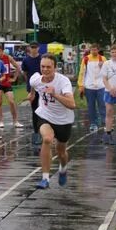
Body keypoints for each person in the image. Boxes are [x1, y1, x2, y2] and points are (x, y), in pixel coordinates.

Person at [30, 54, 76, 189]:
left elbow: (72, 104)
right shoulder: (36, 79)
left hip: (63, 120)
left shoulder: (63, 81)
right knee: (47, 139)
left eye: (48, 67)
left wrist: (55, 94)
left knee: (61, 151)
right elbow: (33, 84)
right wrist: (32, 94)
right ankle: (45, 178)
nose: (45, 70)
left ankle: (63, 168)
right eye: (42, 67)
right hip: (45, 115)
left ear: (55, 68)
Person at [77, 43, 106, 132]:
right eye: (92, 49)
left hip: (101, 86)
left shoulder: (103, 59)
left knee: (103, 105)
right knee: (91, 106)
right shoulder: (86, 59)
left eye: (95, 49)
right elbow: (82, 72)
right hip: (89, 87)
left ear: (98, 50)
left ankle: (105, 122)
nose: (94, 51)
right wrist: (81, 85)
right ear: (90, 50)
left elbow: (107, 72)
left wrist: (103, 66)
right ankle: (93, 123)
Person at [0, 44, 23, 128]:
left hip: (7, 83)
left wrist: (14, 78)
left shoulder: (7, 57)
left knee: (11, 101)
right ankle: (1, 121)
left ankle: (15, 121)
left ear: (1, 51)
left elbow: (17, 66)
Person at [21, 42, 43, 145]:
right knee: (34, 110)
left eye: (35, 47)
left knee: (44, 108)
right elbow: (25, 73)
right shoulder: (26, 60)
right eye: (32, 47)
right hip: (32, 87)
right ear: (30, 48)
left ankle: (44, 130)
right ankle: (36, 133)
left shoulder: (42, 59)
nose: (34, 49)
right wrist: (29, 85)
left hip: (42, 87)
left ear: (38, 48)